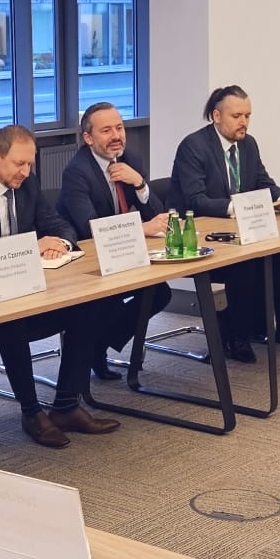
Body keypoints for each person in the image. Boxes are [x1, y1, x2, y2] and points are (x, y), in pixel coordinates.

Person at [0, 125, 123, 449]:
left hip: (29, 287)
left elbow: (58, 223)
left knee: (89, 306)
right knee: (11, 321)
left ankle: (66, 405)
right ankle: (32, 413)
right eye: (19, 164)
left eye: (30, 164)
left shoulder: (28, 184)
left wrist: (60, 243)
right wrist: (29, 247)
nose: (25, 172)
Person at [170, 85, 280, 361]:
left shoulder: (248, 144)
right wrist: (237, 207)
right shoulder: (194, 146)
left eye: (247, 116)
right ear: (216, 116)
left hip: (239, 232)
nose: (244, 122)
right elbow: (195, 200)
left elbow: (261, 181)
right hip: (199, 236)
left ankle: (236, 320)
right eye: (236, 116)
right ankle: (238, 333)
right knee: (247, 269)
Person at [56, 101, 172, 373]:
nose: (116, 136)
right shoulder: (77, 171)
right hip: (87, 264)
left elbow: (157, 214)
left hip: (121, 254)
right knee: (107, 303)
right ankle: (92, 349)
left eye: (119, 128)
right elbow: (91, 228)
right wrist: (142, 228)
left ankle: (99, 344)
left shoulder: (130, 159)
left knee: (159, 292)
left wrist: (139, 184)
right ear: (88, 138)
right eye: (106, 130)